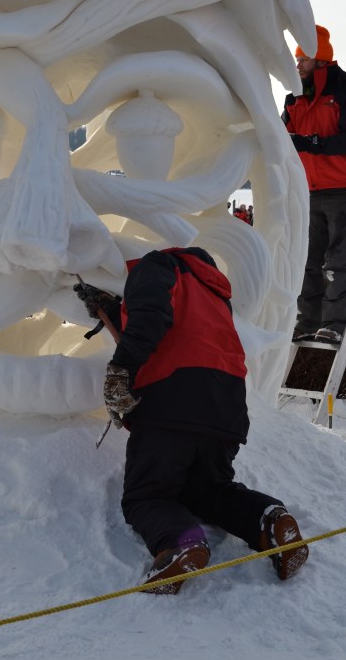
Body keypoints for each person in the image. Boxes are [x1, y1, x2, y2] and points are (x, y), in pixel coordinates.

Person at [75, 247, 308, 594]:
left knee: (146, 496)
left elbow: (151, 318)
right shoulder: (212, 291)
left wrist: (120, 370)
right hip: (225, 407)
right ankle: (270, 520)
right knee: (207, 490)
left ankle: (181, 543)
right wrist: (110, 308)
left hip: (172, 400)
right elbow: (167, 326)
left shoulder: (155, 264)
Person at [282, 24, 346, 344]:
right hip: (307, 193)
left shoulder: (343, 89)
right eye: (297, 59)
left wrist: (310, 142)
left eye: (303, 59)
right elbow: (282, 139)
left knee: (338, 262)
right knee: (307, 262)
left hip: (342, 191)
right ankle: (308, 323)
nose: (298, 65)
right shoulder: (293, 97)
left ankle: (335, 325)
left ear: (321, 60)